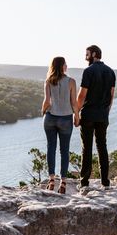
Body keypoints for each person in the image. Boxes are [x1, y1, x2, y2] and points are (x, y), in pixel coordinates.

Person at [76, 45, 116, 190]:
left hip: (88, 115)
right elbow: (111, 97)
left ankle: (84, 183)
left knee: (86, 148)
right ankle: (105, 182)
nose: (85, 57)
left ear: (93, 54)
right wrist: (106, 113)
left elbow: (81, 96)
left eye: (87, 54)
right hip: (103, 115)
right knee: (102, 147)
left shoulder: (88, 71)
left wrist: (76, 112)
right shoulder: (111, 72)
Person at [41, 56, 79, 193]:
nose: (67, 65)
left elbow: (46, 101)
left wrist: (43, 112)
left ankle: (51, 180)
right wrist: (77, 117)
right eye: (65, 64)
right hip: (65, 119)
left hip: (50, 118)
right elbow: (74, 102)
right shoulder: (71, 82)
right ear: (63, 66)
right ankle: (63, 182)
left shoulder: (48, 81)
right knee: (64, 150)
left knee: (51, 148)